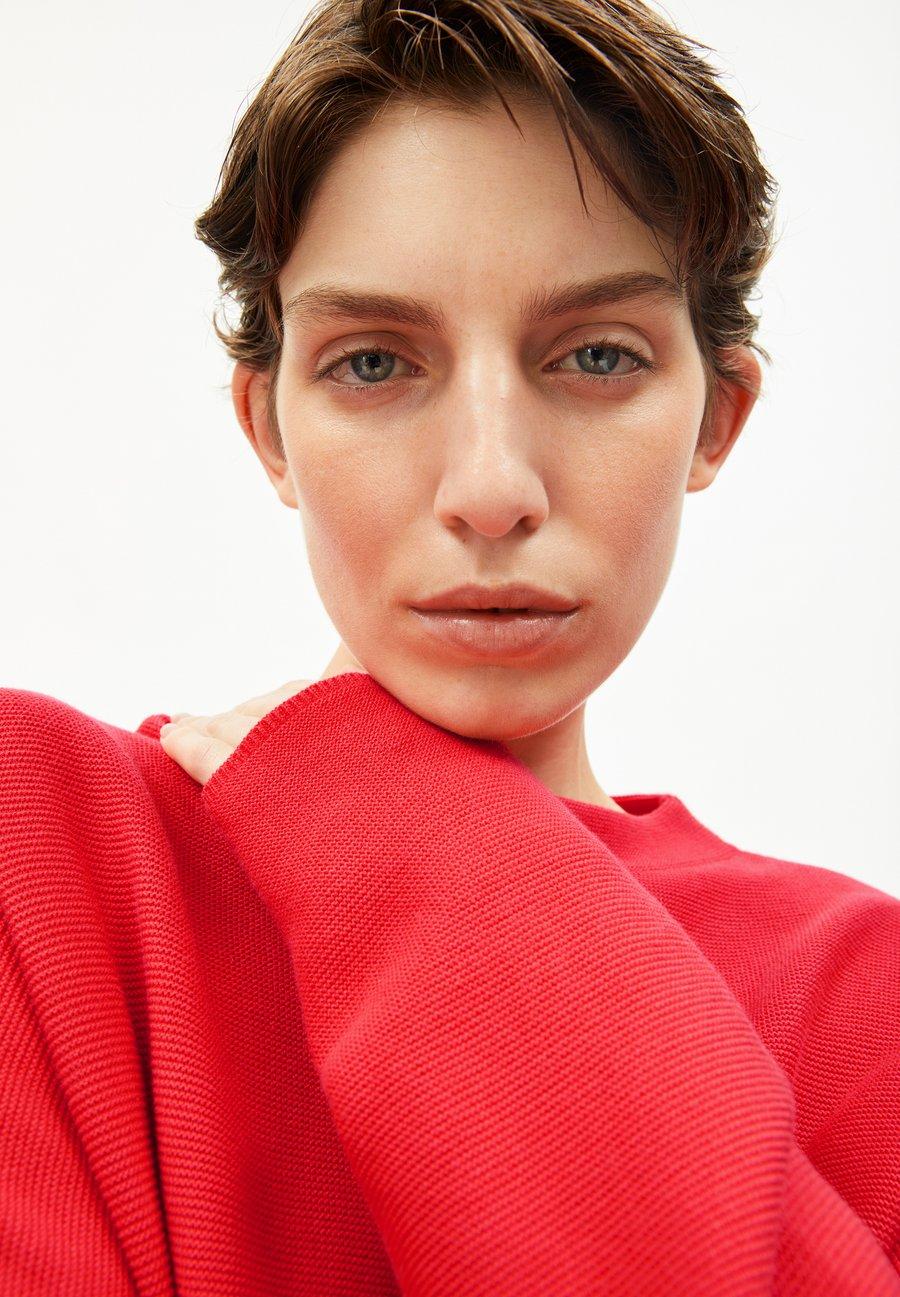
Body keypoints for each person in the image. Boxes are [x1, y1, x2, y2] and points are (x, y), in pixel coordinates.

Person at [1, 2, 898, 1293]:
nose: (490, 489)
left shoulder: (863, 991)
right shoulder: (46, 848)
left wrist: (403, 830)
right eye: (374, 363)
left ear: (719, 417)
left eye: (598, 355)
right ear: (269, 430)